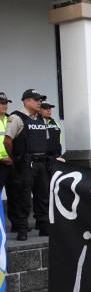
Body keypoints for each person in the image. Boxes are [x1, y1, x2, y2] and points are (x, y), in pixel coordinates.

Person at [4, 89, 50, 240]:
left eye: (40, 100)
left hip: (40, 163)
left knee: (43, 197)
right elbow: (8, 141)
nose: (39, 102)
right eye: (36, 99)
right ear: (26, 101)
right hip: (25, 163)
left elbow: (45, 141)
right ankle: (22, 229)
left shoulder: (41, 119)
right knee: (23, 197)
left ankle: (44, 226)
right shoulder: (16, 118)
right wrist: (15, 158)